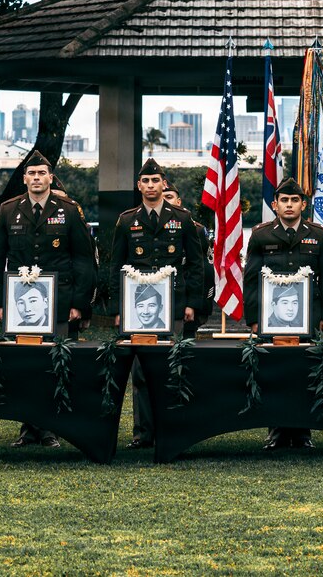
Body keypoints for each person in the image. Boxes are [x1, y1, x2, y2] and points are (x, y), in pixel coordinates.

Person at [0, 150, 96, 448]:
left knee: (55, 365)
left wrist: (79, 303)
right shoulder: (8, 210)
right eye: (31, 174)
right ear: (24, 179)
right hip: (21, 304)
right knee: (26, 366)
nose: (36, 178)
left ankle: (51, 427)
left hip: (60, 302)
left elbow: (83, 261)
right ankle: (27, 427)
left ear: (50, 178)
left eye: (41, 174)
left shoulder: (69, 210)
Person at [109, 158, 204, 449]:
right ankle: (143, 433)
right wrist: (116, 308)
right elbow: (116, 266)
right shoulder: (127, 220)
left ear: (164, 184)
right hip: (138, 308)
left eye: (156, 181)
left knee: (172, 367)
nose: (151, 186)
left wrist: (192, 303)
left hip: (173, 304)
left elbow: (197, 264)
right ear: (139, 186)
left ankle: (172, 430)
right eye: (145, 181)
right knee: (140, 370)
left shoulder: (183, 218)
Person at [244, 177, 323, 450]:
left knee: (305, 372)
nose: (288, 205)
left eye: (294, 200)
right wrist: (253, 319)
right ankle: (277, 432)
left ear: (303, 204)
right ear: (275, 204)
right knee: (275, 373)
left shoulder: (318, 235)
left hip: (309, 316)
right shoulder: (261, 235)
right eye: (284, 200)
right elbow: (251, 279)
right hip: (272, 320)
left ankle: (303, 432)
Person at [162, 183, 214, 337]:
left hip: (186, 304)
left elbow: (205, 271)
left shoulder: (195, 229)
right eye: (162, 198)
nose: (165, 201)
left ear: (178, 202)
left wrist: (198, 307)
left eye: (169, 197)